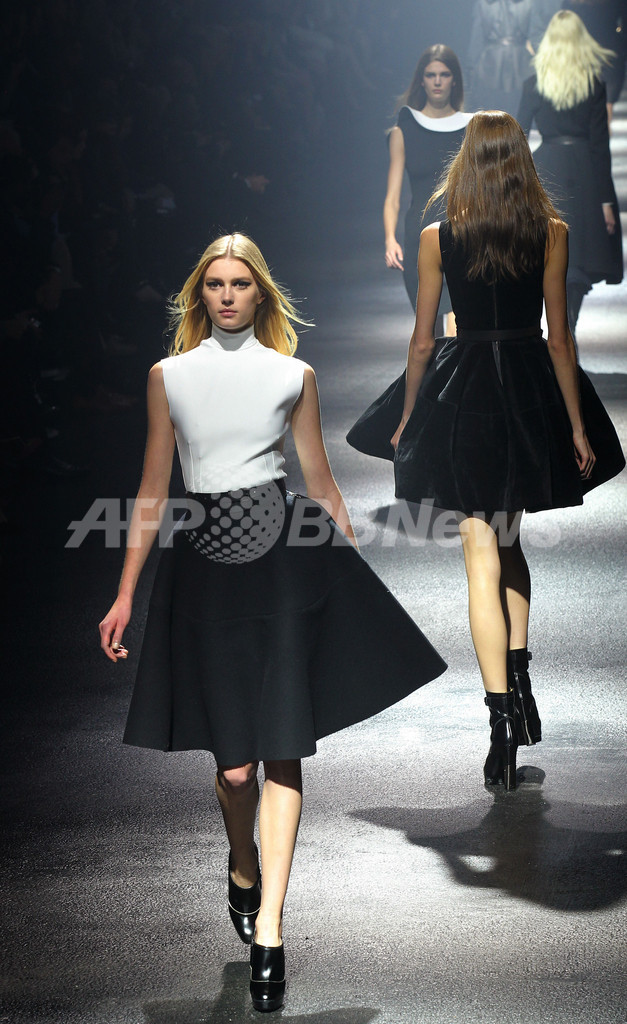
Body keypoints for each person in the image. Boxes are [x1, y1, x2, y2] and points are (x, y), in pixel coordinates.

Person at [99, 233, 446, 1013]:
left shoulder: (293, 375)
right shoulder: (168, 377)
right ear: (201, 294)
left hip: (285, 558)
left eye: (240, 284)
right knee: (234, 771)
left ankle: (272, 930)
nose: (227, 296)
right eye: (215, 284)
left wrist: (350, 581)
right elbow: (153, 489)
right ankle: (241, 864)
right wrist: (124, 594)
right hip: (203, 565)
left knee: (282, 746)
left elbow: (318, 481)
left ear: (261, 293)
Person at [347, 112, 624, 792]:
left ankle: (499, 722)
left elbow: (422, 339)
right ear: (521, 164)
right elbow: (559, 338)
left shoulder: (437, 236)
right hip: (525, 389)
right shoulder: (551, 233)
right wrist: (576, 426)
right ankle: (520, 686)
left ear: (464, 162)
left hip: (465, 390)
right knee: (508, 542)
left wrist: (408, 415)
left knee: (479, 554)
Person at [517, 9, 623, 339]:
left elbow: (518, 136)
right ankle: (568, 324)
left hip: (547, 167)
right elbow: (600, 146)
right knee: (579, 254)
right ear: (581, 42)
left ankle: (556, 326)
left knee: (547, 248)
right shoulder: (594, 86)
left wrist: (518, 185)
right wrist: (606, 202)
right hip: (585, 172)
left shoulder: (533, 85)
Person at [383, 44, 472, 333]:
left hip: (463, 232)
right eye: (431, 75)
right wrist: (390, 239)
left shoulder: (471, 128)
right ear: (421, 80)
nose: (437, 81)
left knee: (461, 327)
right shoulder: (403, 131)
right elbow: (393, 197)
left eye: (444, 75)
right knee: (427, 334)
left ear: (454, 80)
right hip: (419, 235)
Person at [561, 0, 626, 121]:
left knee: (582, 99)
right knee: (606, 102)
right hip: (609, 47)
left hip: (581, 48)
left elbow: (564, 20)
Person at [466, 0, 534, 115]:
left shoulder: (484, 4)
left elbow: (477, 39)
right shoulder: (528, 3)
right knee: (517, 109)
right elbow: (534, 34)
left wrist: (470, 68)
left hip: (491, 63)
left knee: (492, 109)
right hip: (520, 63)